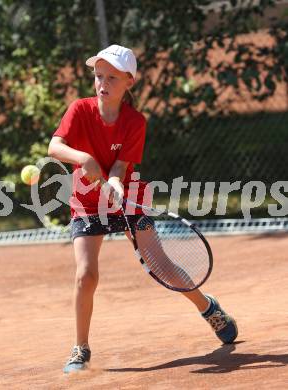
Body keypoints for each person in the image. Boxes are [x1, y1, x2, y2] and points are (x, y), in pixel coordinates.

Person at [48, 44, 238, 374]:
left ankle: (208, 309)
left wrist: (117, 185)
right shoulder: (79, 110)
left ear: (128, 83)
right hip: (87, 203)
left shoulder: (135, 121)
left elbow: (121, 167)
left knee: (162, 266)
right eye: (98, 76)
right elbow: (55, 147)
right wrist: (86, 160)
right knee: (86, 275)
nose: (102, 83)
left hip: (127, 199)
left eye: (111, 77)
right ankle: (81, 347)